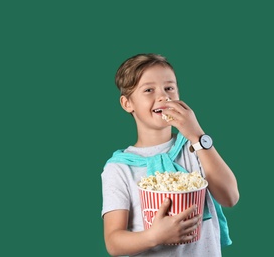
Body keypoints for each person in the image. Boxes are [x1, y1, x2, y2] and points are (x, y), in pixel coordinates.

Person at [101, 53, 240, 256]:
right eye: (149, 90)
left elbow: (230, 197)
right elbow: (113, 243)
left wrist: (197, 135)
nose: (163, 96)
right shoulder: (119, 168)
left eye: (169, 88)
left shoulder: (194, 148)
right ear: (127, 103)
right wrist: (154, 236)